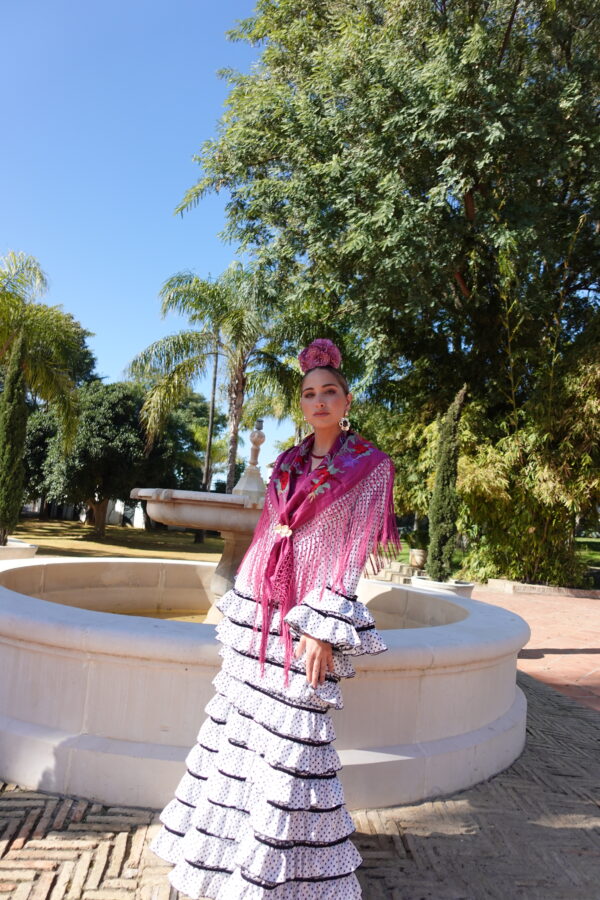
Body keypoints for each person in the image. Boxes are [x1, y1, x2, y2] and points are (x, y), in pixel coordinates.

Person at [150, 338, 400, 899]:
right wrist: (243, 606)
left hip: (311, 615)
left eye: (328, 392)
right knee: (241, 736)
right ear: (301, 403)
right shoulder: (286, 462)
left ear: (347, 399)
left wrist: (323, 626)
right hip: (260, 612)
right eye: (309, 394)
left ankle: (286, 881)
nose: (318, 401)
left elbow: (352, 552)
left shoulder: (370, 467)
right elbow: (266, 536)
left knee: (296, 742)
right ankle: (223, 866)